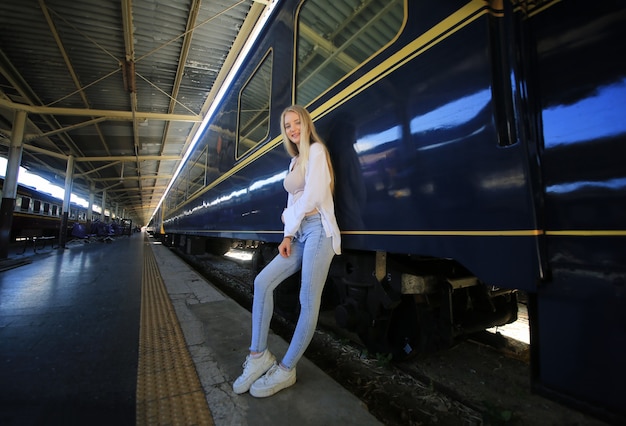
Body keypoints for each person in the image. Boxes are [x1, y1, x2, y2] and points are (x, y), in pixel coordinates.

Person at [232, 105, 341, 398]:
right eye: (287, 126)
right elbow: (293, 201)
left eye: (297, 123)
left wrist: (289, 221)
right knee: (262, 282)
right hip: (300, 234)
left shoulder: (316, 152)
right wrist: (288, 235)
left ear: (306, 124)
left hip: (319, 230)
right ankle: (258, 356)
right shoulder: (294, 163)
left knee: (307, 299)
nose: (292, 129)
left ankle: (286, 368)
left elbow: (315, 195)